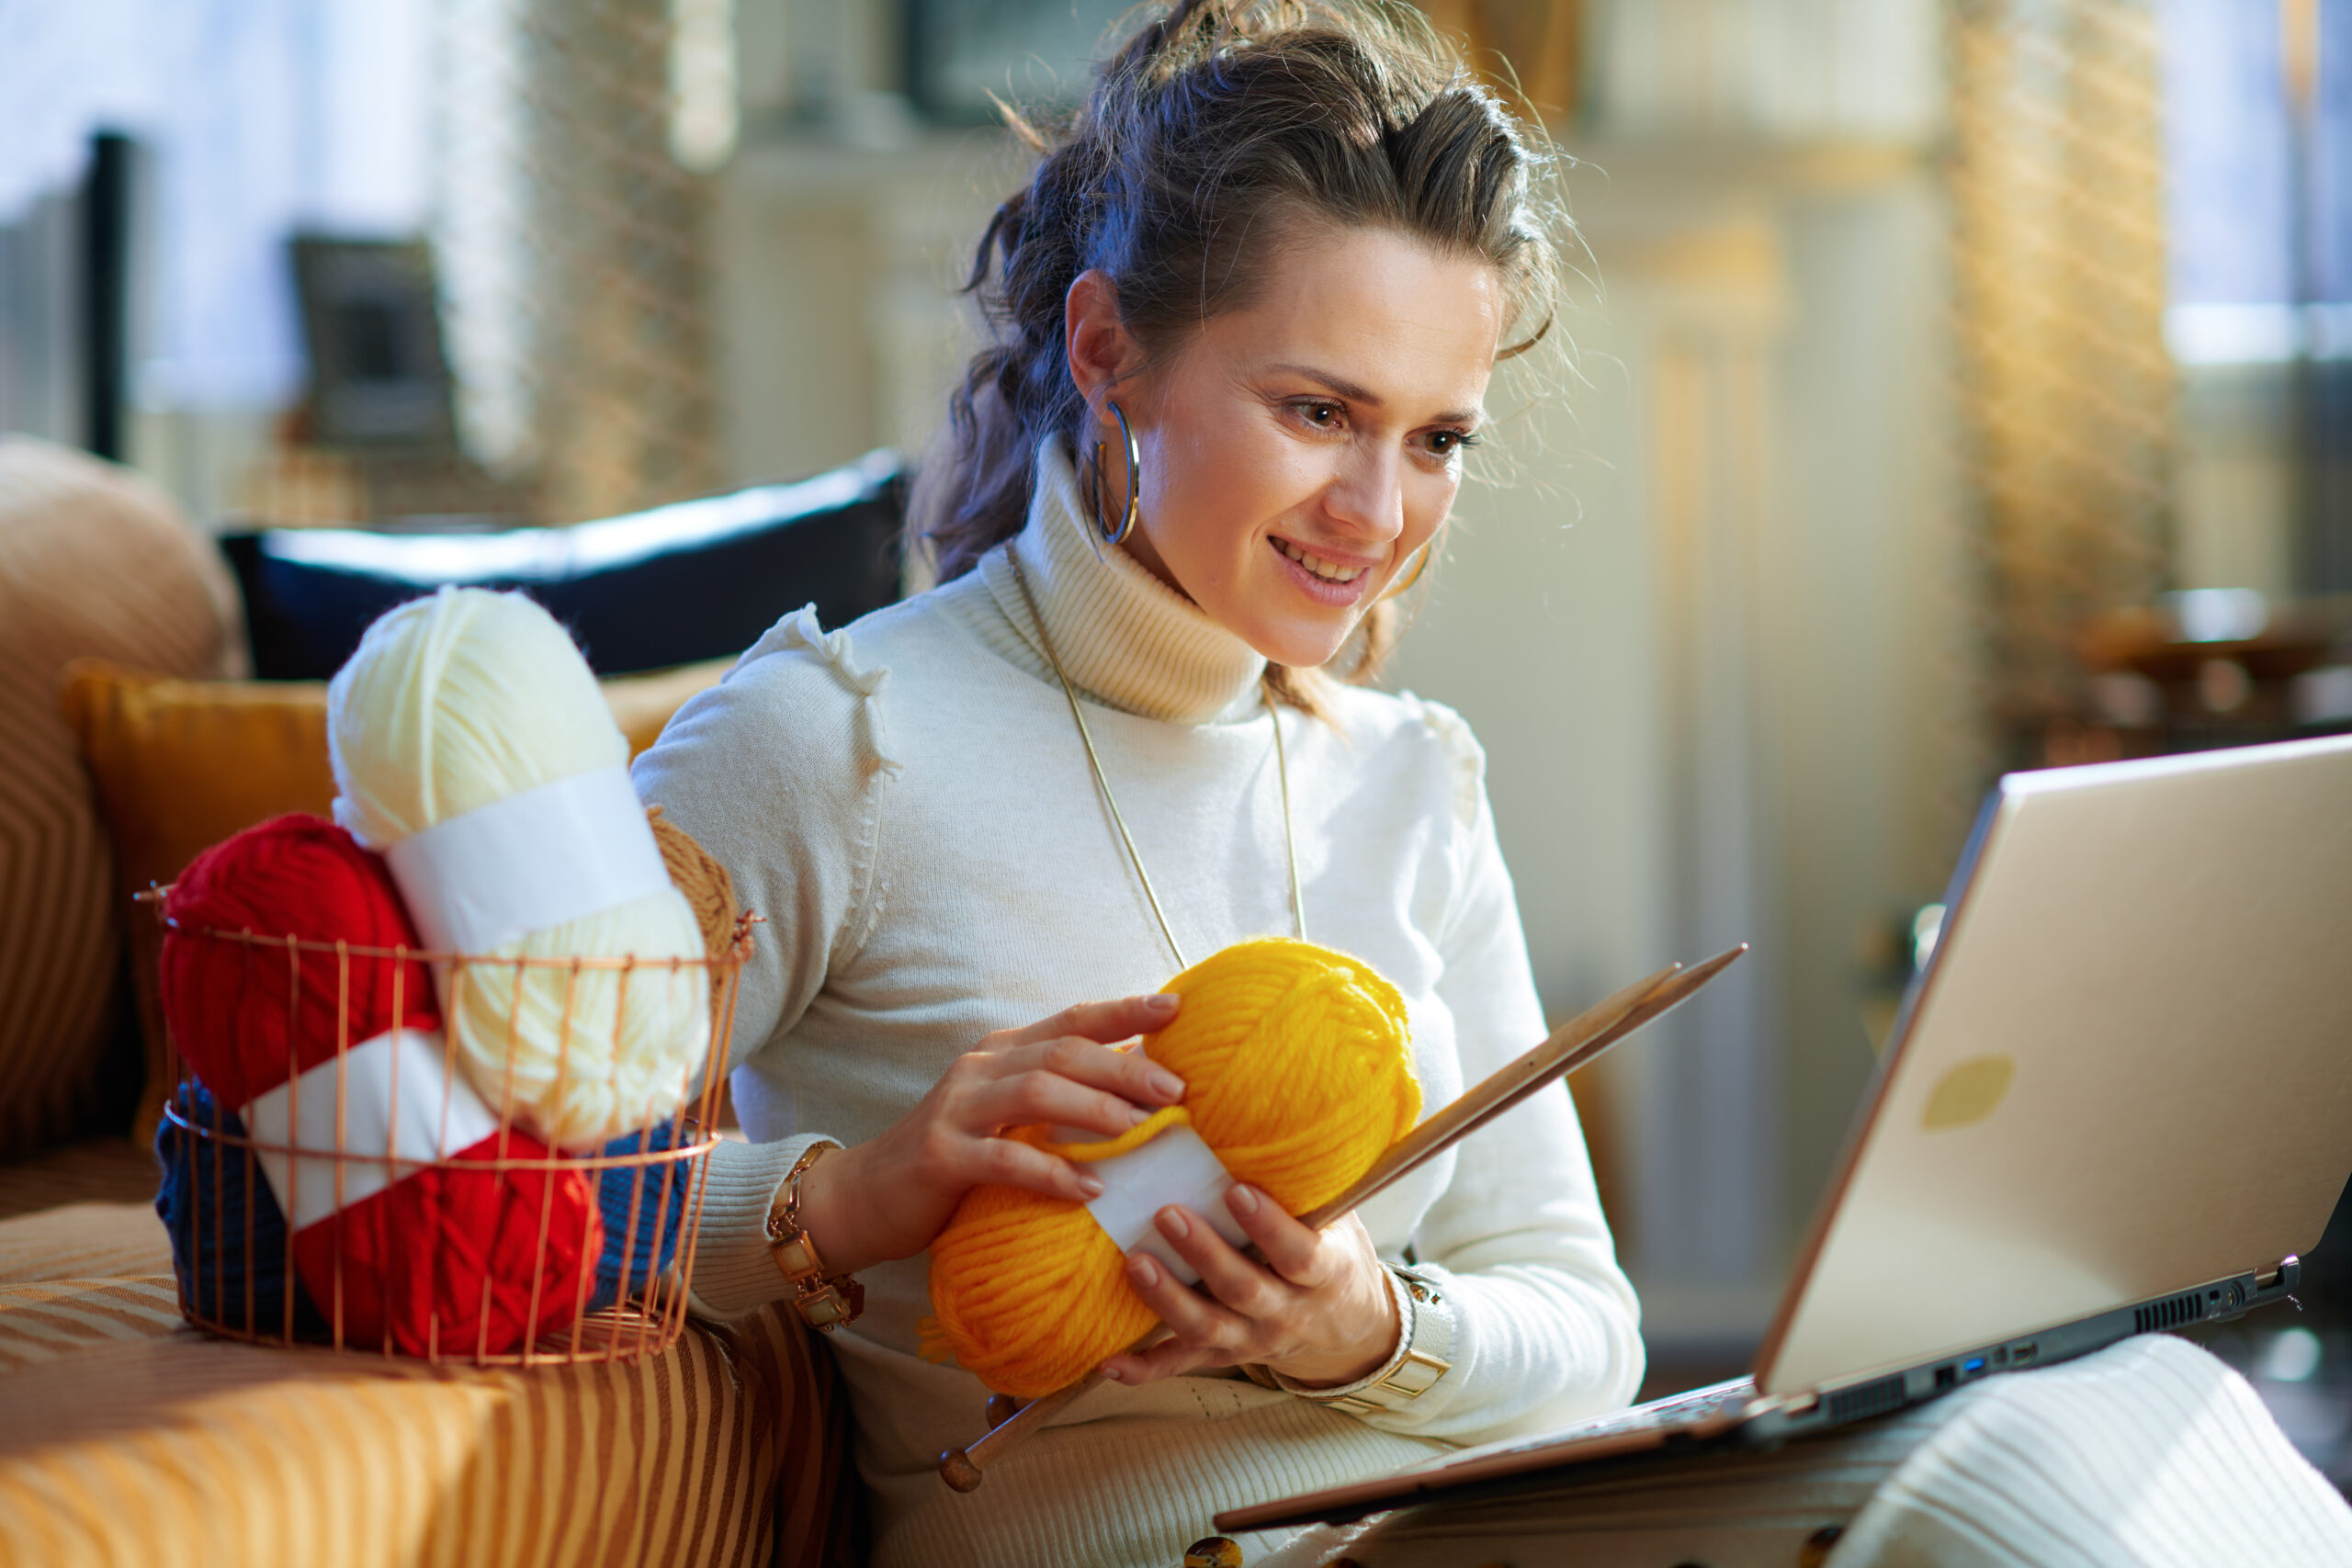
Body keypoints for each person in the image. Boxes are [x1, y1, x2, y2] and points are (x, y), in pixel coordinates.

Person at [633, 3, 1642, 1562]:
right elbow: (463, 1180)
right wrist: (851, 1197)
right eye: (1319, 411)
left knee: (2069, 1415)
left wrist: (1362, 1329)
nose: (1380, 513)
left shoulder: (1407, 779)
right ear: (1110, 354)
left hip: (1505, 1520)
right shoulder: (836, 739)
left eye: (1437, 438)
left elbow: (1589, 1324)